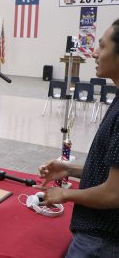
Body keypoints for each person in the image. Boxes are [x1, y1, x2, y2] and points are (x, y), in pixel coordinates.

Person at [37, 19, 119, 258]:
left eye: (102, 47)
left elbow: (114, 194)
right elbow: (112, 172)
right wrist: (69, 169)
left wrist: (65, 194)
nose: (94, 53)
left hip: (102, 241)